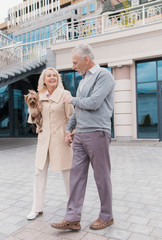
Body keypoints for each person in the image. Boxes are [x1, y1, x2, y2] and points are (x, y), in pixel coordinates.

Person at [51, 44, 115, 230]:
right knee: (76, 177)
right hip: (79, 135)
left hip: (97, 133)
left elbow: (94, 103)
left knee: (102, 177)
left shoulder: (104, 76)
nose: (73, 66)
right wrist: (68, 129)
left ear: (86, 59)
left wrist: (71, 99)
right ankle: (72, 217)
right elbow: (78, 110)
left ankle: (106, 216)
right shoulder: (84, 80)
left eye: (75, 62)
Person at [26, 67, 74, 220]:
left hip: (62, 139)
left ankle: (73, 207)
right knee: (38, 173)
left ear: (58, 79)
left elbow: (72, 117)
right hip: (43, 139)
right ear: (44, 80)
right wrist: (32, 110)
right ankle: (36, 208)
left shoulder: (65, 95)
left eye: (54, 75)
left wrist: (70, 134)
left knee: (67, 173)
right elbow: (34, 117)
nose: (52, 77)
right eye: (49, 76)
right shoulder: (39, 96)